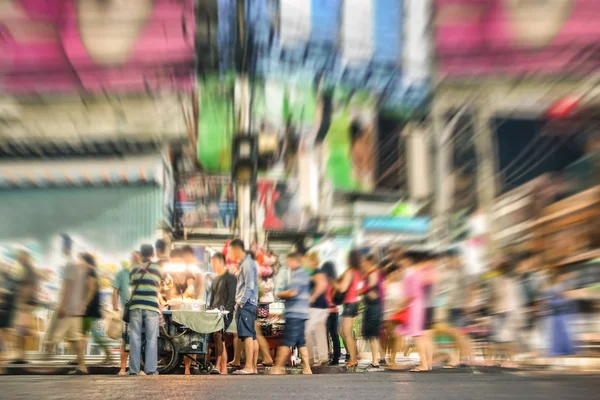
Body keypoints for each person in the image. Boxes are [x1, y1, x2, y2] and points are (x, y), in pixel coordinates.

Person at [43, 238, 88, 375]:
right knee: (76, 337)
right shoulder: (80, 267)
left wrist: (62, 305)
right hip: (76, 308)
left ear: (65, 247)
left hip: (68, 308)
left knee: (54, 337)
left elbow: (67, 287)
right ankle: (82, 366)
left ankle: (44, 362)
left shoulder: (70, 265)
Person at [128, 244, 168, 376]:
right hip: (151, 306)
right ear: (153, 254)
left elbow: (131, 284)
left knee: (135, 338)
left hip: (135, 306)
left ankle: (134, 370)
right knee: (151, 338)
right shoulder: (158, 268)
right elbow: (169, 282)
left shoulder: (133, 269)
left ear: (141, 254)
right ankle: (150, 370)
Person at [270, 252, 312, 375]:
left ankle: (278, 367)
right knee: (300, 342)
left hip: (295, 314)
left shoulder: (299, 274)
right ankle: (307, 368)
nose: (288, 264)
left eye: (289, 261)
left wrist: (279, 294)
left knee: (286, 341)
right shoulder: (302, 274)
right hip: (301, 313)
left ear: (296, 261)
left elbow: (293, 292)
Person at [3, 250, 39, 366]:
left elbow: (29, 288)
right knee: (21, 330)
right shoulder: (26, 270)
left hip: (24, 305)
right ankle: (20, 355)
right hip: (23, 304)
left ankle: (20, 355)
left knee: (20, 330)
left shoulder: (28, 270)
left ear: (25, 257)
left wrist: (23, 303)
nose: (19, 258)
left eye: (20, 256)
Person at [229, 239, 259, 375]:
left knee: (247, 335)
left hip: (246, 303)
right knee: (252, 336)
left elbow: (249, 285)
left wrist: (241, 302)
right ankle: (253, 367)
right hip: (250, 303)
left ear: (236, 249)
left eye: (231, 250)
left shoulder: (247, 263)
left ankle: (248, 367)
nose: (230, 254)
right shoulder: (247, 263)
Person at [398, 251, 428, 372]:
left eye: (403, 260)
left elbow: (412, 294)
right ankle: (424, 363)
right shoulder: (415, 273)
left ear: (408, 261)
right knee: (418, 336)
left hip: (414, 305)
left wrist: (401, 305)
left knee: (417, 336)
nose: (401, 262)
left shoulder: (412, 274)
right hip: (416, 305)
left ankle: (424, 364)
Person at [80, 253, 111, 365]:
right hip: (89, 308)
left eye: (81, 260)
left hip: (91, 309)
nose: (79, 263)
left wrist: (84, 304)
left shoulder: (91, 272)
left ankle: (109, 354)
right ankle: (79, 358)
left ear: (86, 261)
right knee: (82, 334)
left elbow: (91, 290)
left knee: (94, 335)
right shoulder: (87, 273)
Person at [112, 251, 140, 375]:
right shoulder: (122, 273)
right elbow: (115, 291)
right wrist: (115, 307)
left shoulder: (142, 273)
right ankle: (123, 368)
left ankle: (138, 368)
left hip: (140, 309)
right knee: (125, 340)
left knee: (140, 340)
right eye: (134, 258)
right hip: (127, 310)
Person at [209, 252, 237, 374]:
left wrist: (227, 314)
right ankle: (222, 368)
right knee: (219, 339)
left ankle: (218, 366)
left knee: (220, 338)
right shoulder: (215, 280)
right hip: (214, 313)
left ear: (222, 263)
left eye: (215, 262)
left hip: (225, 314)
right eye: (212, 263)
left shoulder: (230, 278)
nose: (213, 265)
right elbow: (212, 298)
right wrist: (209, 310)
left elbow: (232, 298)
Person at [334, 249, 362, 368]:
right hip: (352, 303)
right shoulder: (356, 272)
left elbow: (342, 288)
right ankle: (354, 356)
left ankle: (353, 358)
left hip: (350, 303)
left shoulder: (350, 272)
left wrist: (334, 282)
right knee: (341, 331)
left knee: (346, 333)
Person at [303, 251, 330, 367]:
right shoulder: (317, 272)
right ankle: (323, 357)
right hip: (322, 306)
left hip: (315, 307)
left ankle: (310, 358)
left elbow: (322, 285)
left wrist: (312, 297)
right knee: (319, 331)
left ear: (312, 261)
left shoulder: (316, 272)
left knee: (306, 332)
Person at [358, 253, 384, 370]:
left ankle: (375, 361)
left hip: (374, 306)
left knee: (373, 335)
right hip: (373, 305)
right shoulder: (374, 273)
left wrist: (360, 291)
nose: (362, 264)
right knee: (372, 335)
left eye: (364, 262)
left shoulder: (373, 272)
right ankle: (380, 358)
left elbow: (371, 286)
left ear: (369, 262)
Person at [321, 259, 340, 366]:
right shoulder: (335, 282)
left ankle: (327, 355)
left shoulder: (325, 282)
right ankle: (336, 357)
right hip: (335, 310)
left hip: (327, 311)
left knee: (325, 335)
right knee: (334, 335)